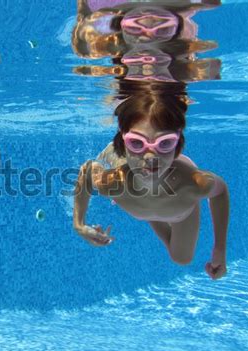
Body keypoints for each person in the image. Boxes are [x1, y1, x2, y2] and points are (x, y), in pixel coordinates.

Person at [73, 83, 229, 280]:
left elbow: (220, 190)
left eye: (164, 143)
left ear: (177, 145)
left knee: (181, 258)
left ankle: (150, 210)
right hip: (137, 182)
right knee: (123, 164)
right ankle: (120, 154)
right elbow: (87, 170)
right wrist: (79, 224)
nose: (150, 157)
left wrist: (220, 249)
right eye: (137, 142)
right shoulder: (114, 184)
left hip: (180, 212)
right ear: (124, 140)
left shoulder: (192, 185)